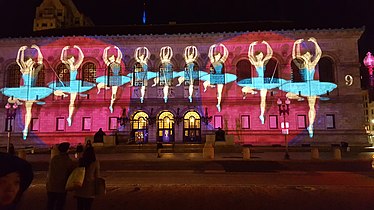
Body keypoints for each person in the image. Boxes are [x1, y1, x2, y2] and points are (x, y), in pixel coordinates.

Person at [46, 142, 76, 210]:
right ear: (67, 150)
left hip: (51, 185)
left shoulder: (54, 159)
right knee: (59, 206)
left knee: (50, 205)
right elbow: (71, 172)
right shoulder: (67, 160)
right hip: (61, 187)